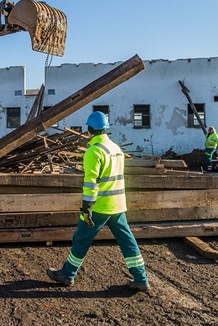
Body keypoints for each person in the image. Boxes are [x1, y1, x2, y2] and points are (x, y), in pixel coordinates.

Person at [47, 111, 150, 292]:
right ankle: (141, 278)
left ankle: (67, 274)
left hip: (99, 207)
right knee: (127, 241)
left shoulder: (93, 152)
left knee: (81, 239)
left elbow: (91, 183)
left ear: (89, 129)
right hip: (117, 205)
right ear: (106, 129)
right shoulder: (116, 149)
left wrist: (87, 208)